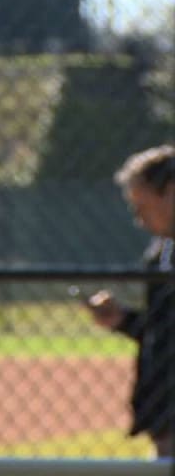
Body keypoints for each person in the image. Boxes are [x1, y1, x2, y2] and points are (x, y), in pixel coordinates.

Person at [85, 144, 175, 458]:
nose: (139, 219)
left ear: (171, 192)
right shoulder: (160, 253)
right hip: (163, 405)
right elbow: (163, 332)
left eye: (143, 207)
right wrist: (123, 320)